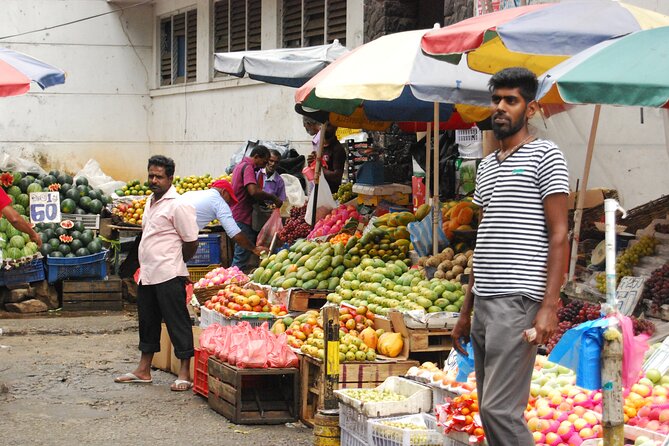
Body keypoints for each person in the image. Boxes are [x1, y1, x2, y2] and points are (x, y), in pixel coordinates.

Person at [450, 67, 569, 446]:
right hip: (485, 300)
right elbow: (483, 240)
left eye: (510, 100)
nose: (500, 107)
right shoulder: (485, 166)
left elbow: (560, 234)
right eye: (496, 99)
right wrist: (466, 311)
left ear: (530, 108)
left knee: (500, 411)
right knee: (489, 407)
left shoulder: (545, 155)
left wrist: (550, 305)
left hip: (518, 299)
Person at [115, 155, 200, 392]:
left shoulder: (178, 204)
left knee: (177, 321)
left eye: (159, 177)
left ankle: (184, 373)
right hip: (148, 274)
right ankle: (143, 370)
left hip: (169, 273)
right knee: (148, 321)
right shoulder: (150, 202)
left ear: (170, 178)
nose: (154, 180)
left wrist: (177, 261)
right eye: (151, 175)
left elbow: (191, 241)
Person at [179, 179, 266, 257]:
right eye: (230, 199)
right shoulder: (219, 202)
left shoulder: (192, 194)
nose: (229, 203)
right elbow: (234, 232)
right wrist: (254, 249)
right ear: (224, 192)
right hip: (178, 235)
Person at [231, 145, 282, 271]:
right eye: (264, 161)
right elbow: (253, 191)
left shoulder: (240, 165)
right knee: (241, 257)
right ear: (256, 157)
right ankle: (232, 281)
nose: (264, 165)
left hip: (238, 214)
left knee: (242, 255)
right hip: (243, 216)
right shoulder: (248, 168)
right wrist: (272, 198)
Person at [306, 122, 346, 193]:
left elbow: (337, 176)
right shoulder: (320, 146)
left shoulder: (338, 149)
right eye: (322, 125)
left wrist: (318, 168)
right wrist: (312, 163)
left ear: (335, 127)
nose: (325, 128)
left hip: (331, 193)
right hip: (318, 190)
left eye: (328, 125)